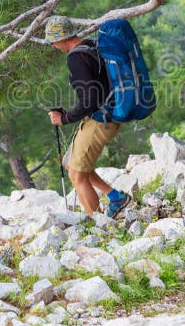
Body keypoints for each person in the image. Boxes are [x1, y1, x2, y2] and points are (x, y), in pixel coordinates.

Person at [45, 15, 130, 218]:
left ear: (62, 37)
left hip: (100, 120)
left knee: (76, 174)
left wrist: (64, 119)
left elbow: (89, 99)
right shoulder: (91, 45)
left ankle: (98, 227)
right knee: (69, 162)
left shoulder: (75, 57)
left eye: (53, 42)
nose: (53, 46)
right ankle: (115, 196)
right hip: (108, 113)